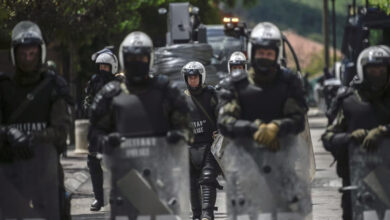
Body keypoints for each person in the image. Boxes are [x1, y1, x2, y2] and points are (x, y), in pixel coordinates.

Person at [88, 31, 192, 214]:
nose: (137, 63)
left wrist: (178, 136)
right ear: (123, 59)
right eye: (132, 58)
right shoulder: (110, 95)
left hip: (162, 179)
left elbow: (186, 126)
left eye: (142, 58)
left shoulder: (166, 91)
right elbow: (94, 132)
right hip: (125, 181)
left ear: (150, 59)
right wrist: (106, 141)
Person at [0, 20, 72, 219]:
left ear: (40, 53)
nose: (27, 59)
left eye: (32, 53)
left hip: (46, 176)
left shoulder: (53, 87)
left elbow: (61, 129)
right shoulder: (4, 88)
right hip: (10, 176)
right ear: (14, 55)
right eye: (23, 54)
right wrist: (8, 133)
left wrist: (34, 138)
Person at [321, 45, 390, 220]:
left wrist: (383, 130)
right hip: (356, 182)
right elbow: (328, 137)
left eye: (382, 70)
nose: (378, 75)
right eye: (373, 70)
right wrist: (349, 138)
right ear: (362, 70)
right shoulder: (348, 101)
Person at [218, 22, 307, 148]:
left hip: (283, 158)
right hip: (243, 160)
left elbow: (298, 120)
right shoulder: (235, 85)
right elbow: (225, 122)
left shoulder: (289, 83)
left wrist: (276, 127)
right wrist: (253, 128)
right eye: (261, 53)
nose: (264, 58)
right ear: (252, 52)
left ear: (277, 55)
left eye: (269, 54)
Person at [181, 61, 220, 220]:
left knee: (208, 178)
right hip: (189, 148)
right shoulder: (182, 99)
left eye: (195, 77)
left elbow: (222, 114)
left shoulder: (211, 95)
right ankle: (196, 215)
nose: (192, 81)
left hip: (209, 146)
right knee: (191, 182)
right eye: (189, 78)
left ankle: (207, 214)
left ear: (201, 77)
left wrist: (220, 131)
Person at [84, 49, 121, 211]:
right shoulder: (94, 82)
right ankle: (99, 197)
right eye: (100, 67)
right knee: (93, 162)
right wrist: (90, 110)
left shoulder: (121, 82)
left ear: (112, 67)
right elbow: (87, 100)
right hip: (97, 129)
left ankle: (116, 196)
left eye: (106, 67)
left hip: (115, 128)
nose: (103, 70)